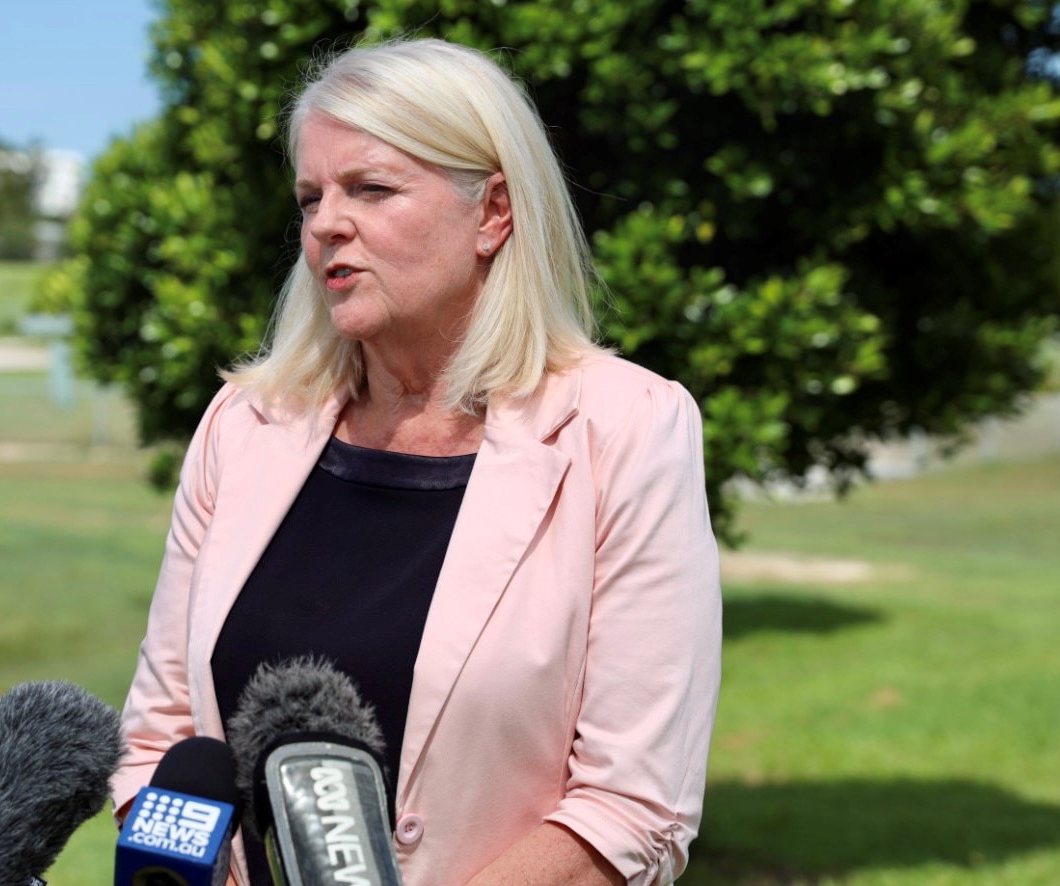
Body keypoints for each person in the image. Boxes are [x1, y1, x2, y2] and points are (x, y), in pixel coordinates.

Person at [112, 37, 721, 886]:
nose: (326, 223)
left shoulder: (627, 428)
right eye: (310, 196)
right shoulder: (245, 424)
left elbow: (632, 808)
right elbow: (159, 740)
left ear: (494, 212)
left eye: (371, 188)